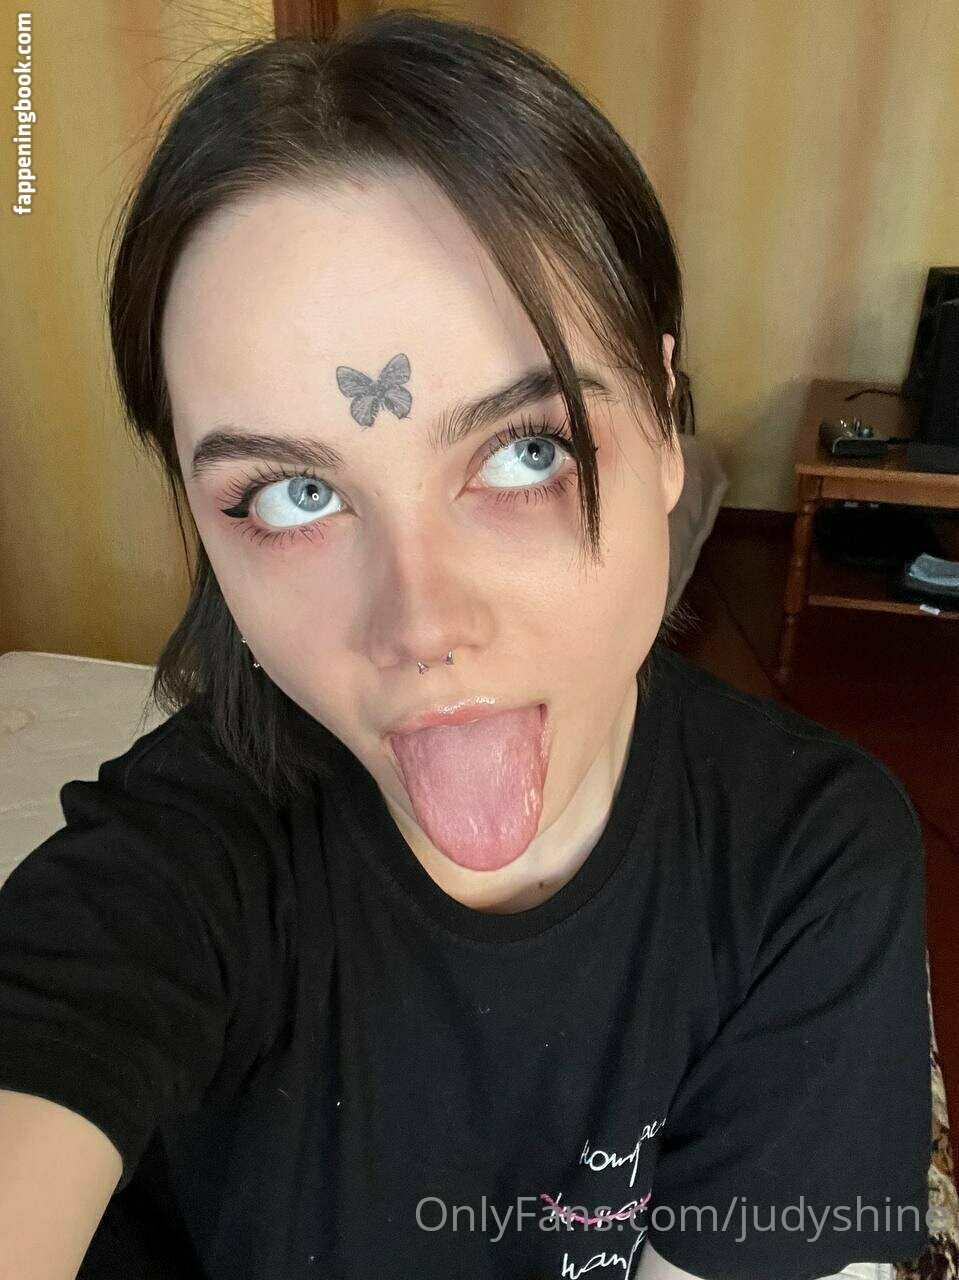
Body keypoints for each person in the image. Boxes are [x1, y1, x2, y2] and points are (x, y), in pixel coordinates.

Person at [0, 9, 931, 1280]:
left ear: (665, 422)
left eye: (525, 450)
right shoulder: (179, 868)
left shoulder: (807, 860)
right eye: (291, 493)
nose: (422, 624)